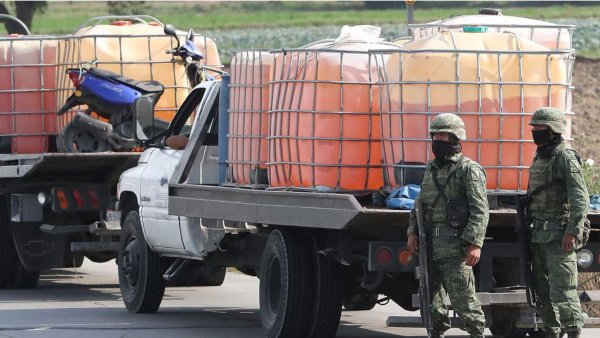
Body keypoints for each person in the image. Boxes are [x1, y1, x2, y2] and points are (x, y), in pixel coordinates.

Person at [407, 113, 488, 338]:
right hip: (430, 246)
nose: (438, 139)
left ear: (454, 137)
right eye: (435, 135)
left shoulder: (468, 169)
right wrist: (412, 231)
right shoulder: (430, 169)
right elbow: (419, 204)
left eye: (443, 134)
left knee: (465, 302)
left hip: (456, 248)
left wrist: (474, 243)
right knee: (432, 304)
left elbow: (480, 210)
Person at [527, 107, 588, 338]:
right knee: (542, 291)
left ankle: (572, 331)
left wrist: (572, 231)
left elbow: (579, 198)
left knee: (563, 290)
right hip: (539, 237)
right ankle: (551, 331)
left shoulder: (565, 157)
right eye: (534, 127)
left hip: (559, 237)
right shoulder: (541, 156)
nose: (535, 131)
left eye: (540, 127)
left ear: (553, 130)